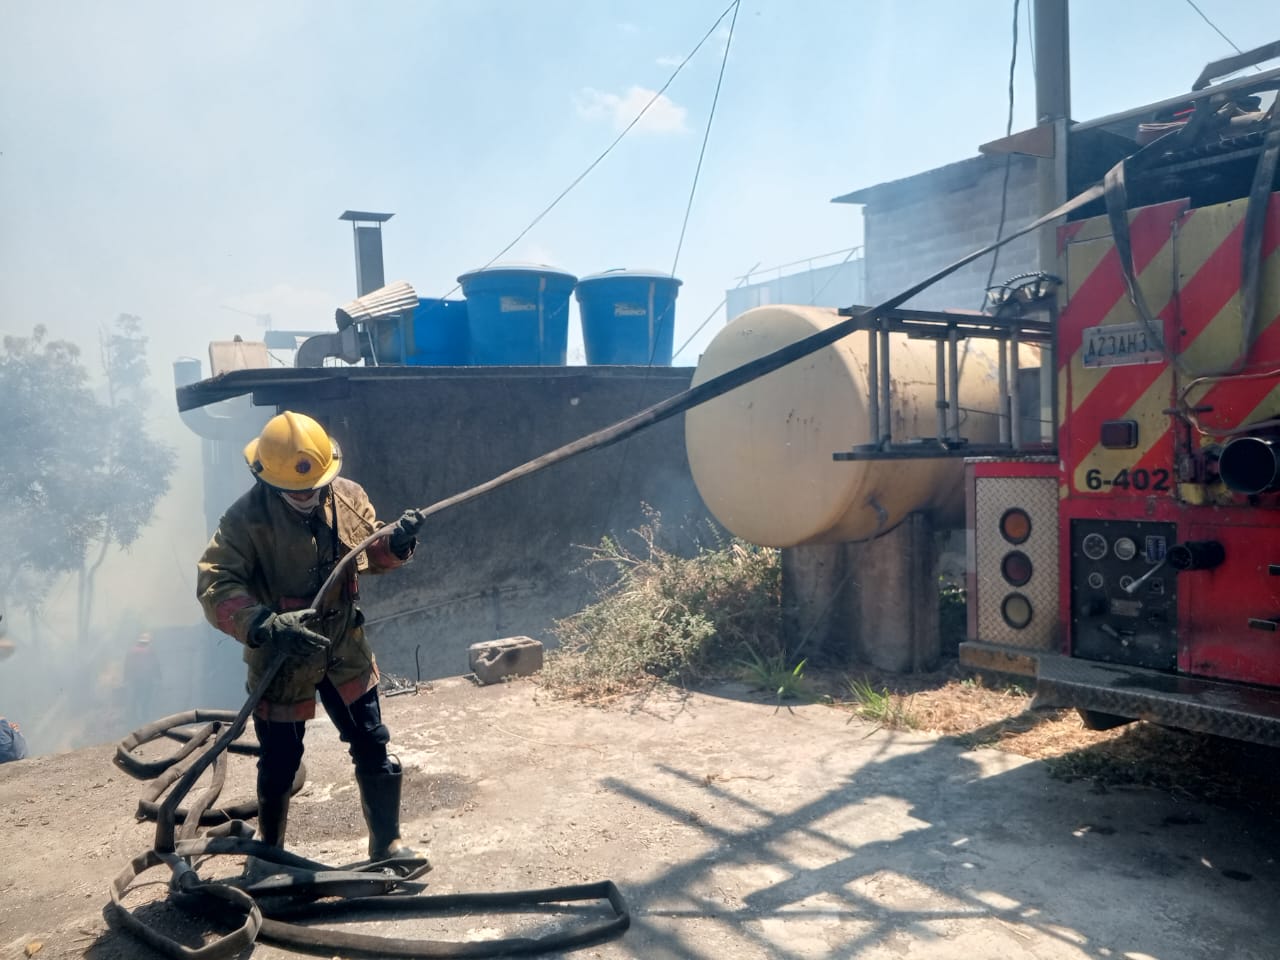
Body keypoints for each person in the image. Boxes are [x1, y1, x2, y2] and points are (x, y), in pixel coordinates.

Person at [196, 410, 425, 870]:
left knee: (372, 743)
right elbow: (215, 585)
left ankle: (387, 843)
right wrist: (264, 624)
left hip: (345, 647)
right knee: (280, 761)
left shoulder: (348, 497)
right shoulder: (244, 521)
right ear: (267, 477)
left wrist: (396, 544)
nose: (305, 494)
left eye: (313, 484)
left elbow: (369, 554)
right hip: (282, 657)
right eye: (293, 489)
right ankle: (270, 853)